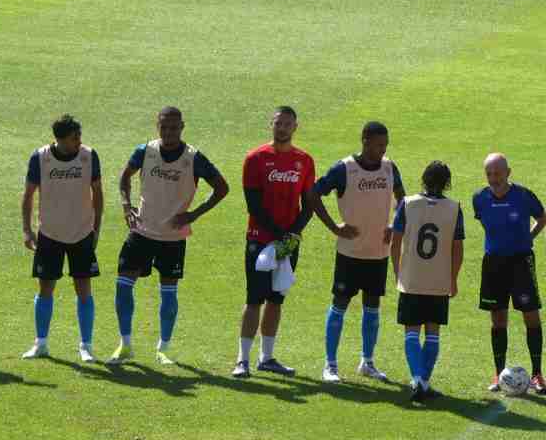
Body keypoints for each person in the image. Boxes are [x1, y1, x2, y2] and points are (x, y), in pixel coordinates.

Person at [109, 106, 228, 365]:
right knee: (122, 285)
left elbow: (222, 188)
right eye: (164, 127)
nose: (169, 132)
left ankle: (163, 348)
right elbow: (124, 177)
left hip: (172, 238)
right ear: (157, 126)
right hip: (141, 231)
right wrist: (126, 205)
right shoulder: (145, 151)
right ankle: (125, 344)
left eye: (174, 127)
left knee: (169, 293)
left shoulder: (193, 158)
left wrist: (194, 214)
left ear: (182, 127)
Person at [311, 122, 406, 383]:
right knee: (339, 305)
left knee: (372, 308)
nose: (382, 150)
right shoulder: (345, 169)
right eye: (378, 145)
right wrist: (334, 227)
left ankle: (367, 361)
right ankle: (330, 365)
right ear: (364, 140)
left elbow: (402, 198)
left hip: (378, 253)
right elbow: (313, 193)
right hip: (350, 253)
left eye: (385, 145)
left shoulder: (389, 167)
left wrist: (394, 224)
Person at [233, 106, 316, 378]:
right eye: (278, 123)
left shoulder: (304, 160)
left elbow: (309, 204)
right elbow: (253, 205)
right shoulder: (255, 158)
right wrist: (280, 233)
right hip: (260, 239)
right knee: (254, 298)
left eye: (288, 124)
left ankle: (266, 358)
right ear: (271, 124)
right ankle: (242, 360)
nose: (282, 128)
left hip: (288, 241)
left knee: (277, 299)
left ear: (295, 127)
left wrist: (293, 234)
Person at [20, 114, 103, 362]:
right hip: (50, 233)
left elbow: (98, 194)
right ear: (60, 139)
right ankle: (41, 344)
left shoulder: (89, 156)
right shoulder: (40, 157)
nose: (79, 141)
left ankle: (86, 346)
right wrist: (27, 230)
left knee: (84, 289)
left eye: (79, 136)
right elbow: (28, 195)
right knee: (45, 288)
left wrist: (96, 229)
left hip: (81, 233)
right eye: (74, 137)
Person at [390, 161, 465, 402]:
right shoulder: (454, 208)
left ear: (423, 179)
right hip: (439, 280)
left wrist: (397, 271)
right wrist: (453, 279)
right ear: (447, 183)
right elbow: (457, 249)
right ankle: (424, 382)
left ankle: (418, 380)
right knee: (433, 332)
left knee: (411, 331)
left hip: (412, 277)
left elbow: (395, 242)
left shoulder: (408, 203)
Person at [473, 153, 546, 394]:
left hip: (521, 263)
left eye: (498, 173)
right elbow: (486, 224)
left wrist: (529, 237)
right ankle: (499, 373)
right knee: (498, 319)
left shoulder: (524, 196)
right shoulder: (480, 198)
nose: (493, 179)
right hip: (493, 264)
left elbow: (542, 217)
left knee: (531, 316)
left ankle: (537, 374)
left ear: (508, 172)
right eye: (489, 174)